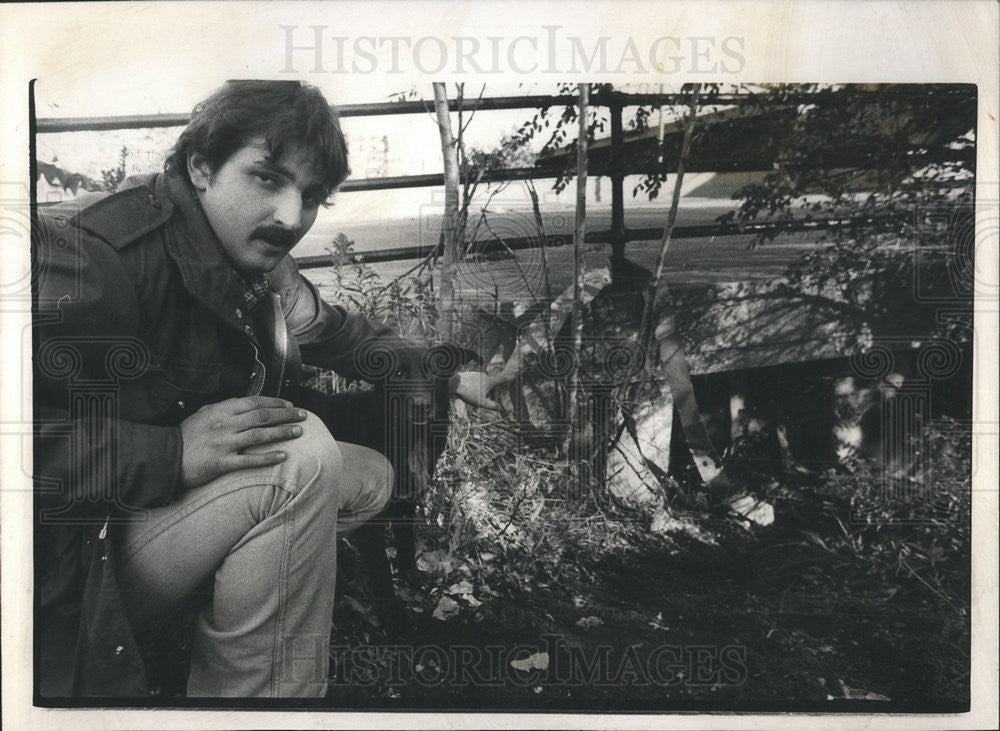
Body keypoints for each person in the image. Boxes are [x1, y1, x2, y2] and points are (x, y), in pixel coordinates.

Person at [32, 79, 500, 699]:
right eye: (267, 178)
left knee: (363, 474)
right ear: (202, 166)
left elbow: (334, 330)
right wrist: (171, 453)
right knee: (303, 456)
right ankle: (254, 702)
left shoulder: (254, 252)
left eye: (311, 197)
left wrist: (444, 366)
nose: (290, 217)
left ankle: (213, 643)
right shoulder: (103, 258)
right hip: (65, 575)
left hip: (151, 515)